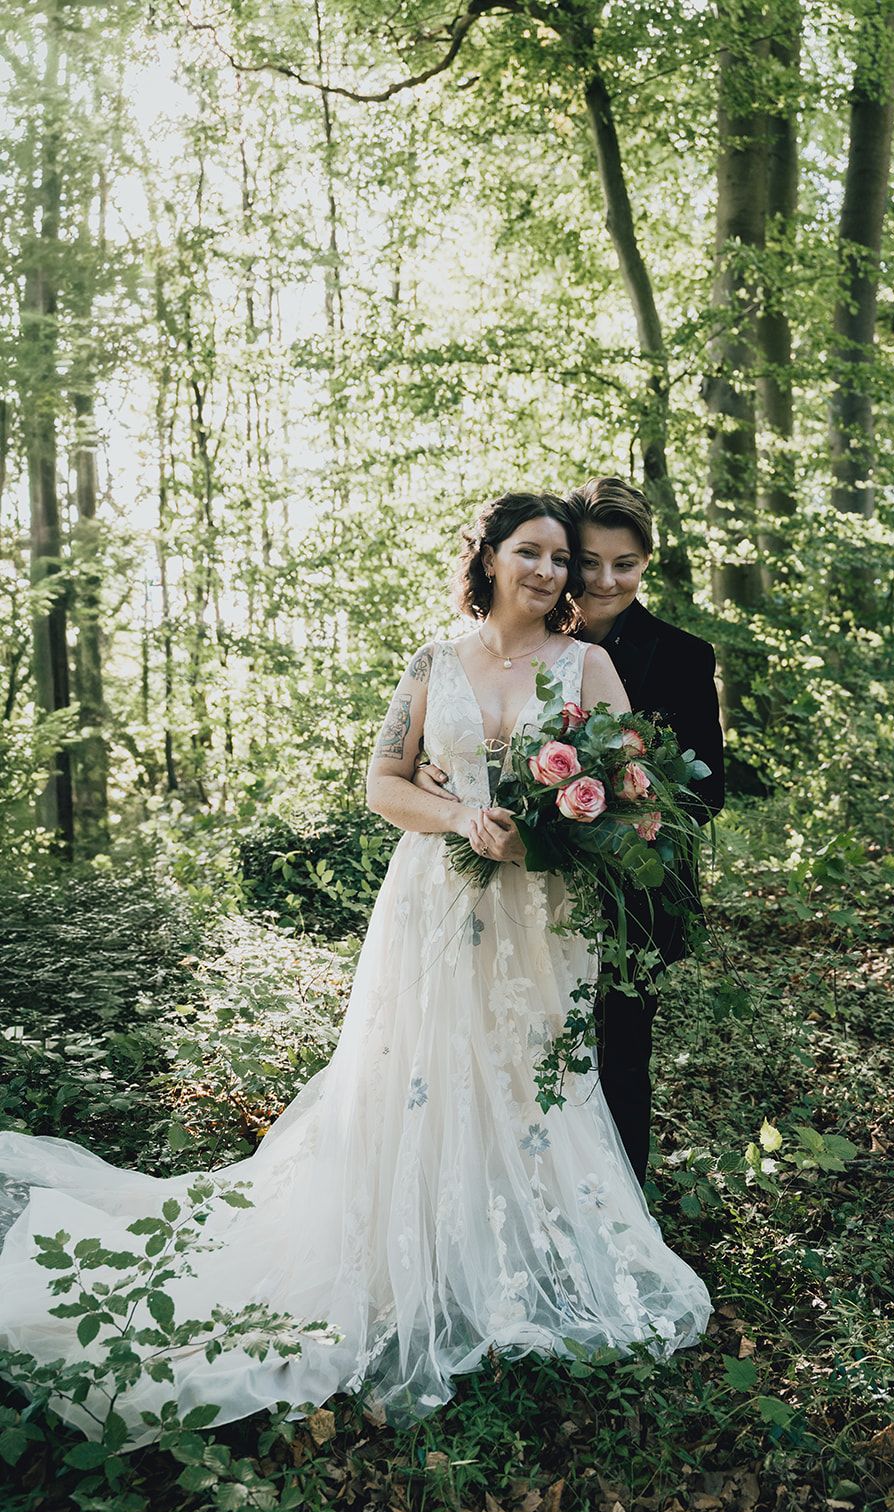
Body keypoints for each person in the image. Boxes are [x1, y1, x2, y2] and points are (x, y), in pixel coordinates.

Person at [0, 491, 711, 1447]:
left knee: (535, 1074)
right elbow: (382, 780)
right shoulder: (434, 660)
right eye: (530, 554)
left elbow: (635, 793)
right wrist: (462, 817)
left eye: (559, 559)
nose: (548, 573)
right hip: (437, 899)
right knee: (425, 1071)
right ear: (491, 558)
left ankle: (527, 1256)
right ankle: (418, 1258)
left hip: (546, 911)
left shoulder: (588, 664)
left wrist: (564, 833)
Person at [419, 477, 725, 1185]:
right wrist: (449, 778)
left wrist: (608, 819)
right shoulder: (521, 635)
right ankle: (510, 1191)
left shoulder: (681, 656)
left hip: (630, 891)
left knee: (615, 1051)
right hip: (506, 884)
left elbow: (707, 790)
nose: (603, 580)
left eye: (625, 565)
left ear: (646, 563)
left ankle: (618, 1210)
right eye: (587, 562)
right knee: (515, 1038)